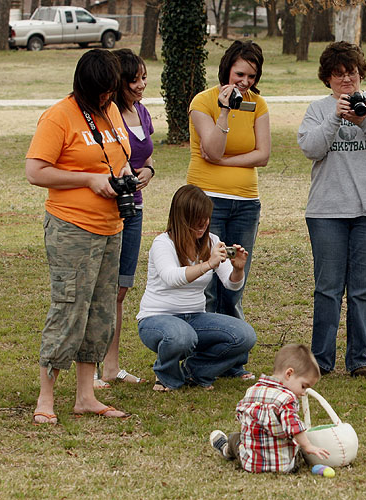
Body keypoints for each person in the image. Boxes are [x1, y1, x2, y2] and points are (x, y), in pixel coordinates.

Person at [25, 49, 132, 423]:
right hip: (72, 228)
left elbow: (116, 158)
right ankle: (46, 398)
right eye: (100, 92)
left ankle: (86, 396)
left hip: (111, 228)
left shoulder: (111, 110)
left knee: (101, 311)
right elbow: (35, 171)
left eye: (110, 91)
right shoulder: (59, 116)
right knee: (69, 308)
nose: (106, 97)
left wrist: (130, 175)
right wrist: (88, 180)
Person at [297, 41, 366, 378]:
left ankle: (360, 359)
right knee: (327, 288)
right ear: (327, 79)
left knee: (363, 290)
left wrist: (365, 121)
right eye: (338, 74)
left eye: (352, 73)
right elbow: (311, 148)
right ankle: (321, 360)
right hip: (327, 212)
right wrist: (336, 117)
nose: (346, 79)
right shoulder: (318, 109)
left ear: (361, 74)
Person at [136, 185, 257, 391]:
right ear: (181, 218)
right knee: (182, 336)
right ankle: (166, 377)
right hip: (156, 318)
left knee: (245, 336)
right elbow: (172, 278)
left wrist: (238, 269)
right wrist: (208, 264)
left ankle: (195, 371)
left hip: (195, 316)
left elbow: (231, 284)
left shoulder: (212, 241)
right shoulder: (163, 243)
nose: (203, 224)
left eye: (206, 218)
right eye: (196, 219)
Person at [187, 40, 270, 320]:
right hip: (207, 200)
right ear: (227, 70)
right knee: (208, 280)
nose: (245, 82)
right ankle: (205, 340)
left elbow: (263, 155)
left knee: (235, 276)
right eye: (240, 74)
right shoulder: (202, 101)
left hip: (246, 203)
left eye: (251, 76)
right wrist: (224, 110)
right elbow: (213, 149)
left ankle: (232, 342)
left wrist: (222, 162)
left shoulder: (257, 104)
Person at [93, 48, 155, 388]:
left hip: (135, 208)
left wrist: (148, 171)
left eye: (144, 78)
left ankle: (111, 366)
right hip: (108, 208)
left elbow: (147, 156)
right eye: (134, 79)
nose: (141, 85)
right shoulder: (105, 113)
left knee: (120, 289)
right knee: (100, 288)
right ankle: (90, 365)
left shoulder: (142, 112)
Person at [209, 344, 330, 472]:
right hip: (283, 466)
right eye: (303, 386)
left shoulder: (251, 391)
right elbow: (294, 426)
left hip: (251, 464)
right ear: (289, 374)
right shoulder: (287, 399)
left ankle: (226, 449)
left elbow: (241, 418)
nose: (304, 393)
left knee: (236, 438)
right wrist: (308, 446)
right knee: (299, 447)